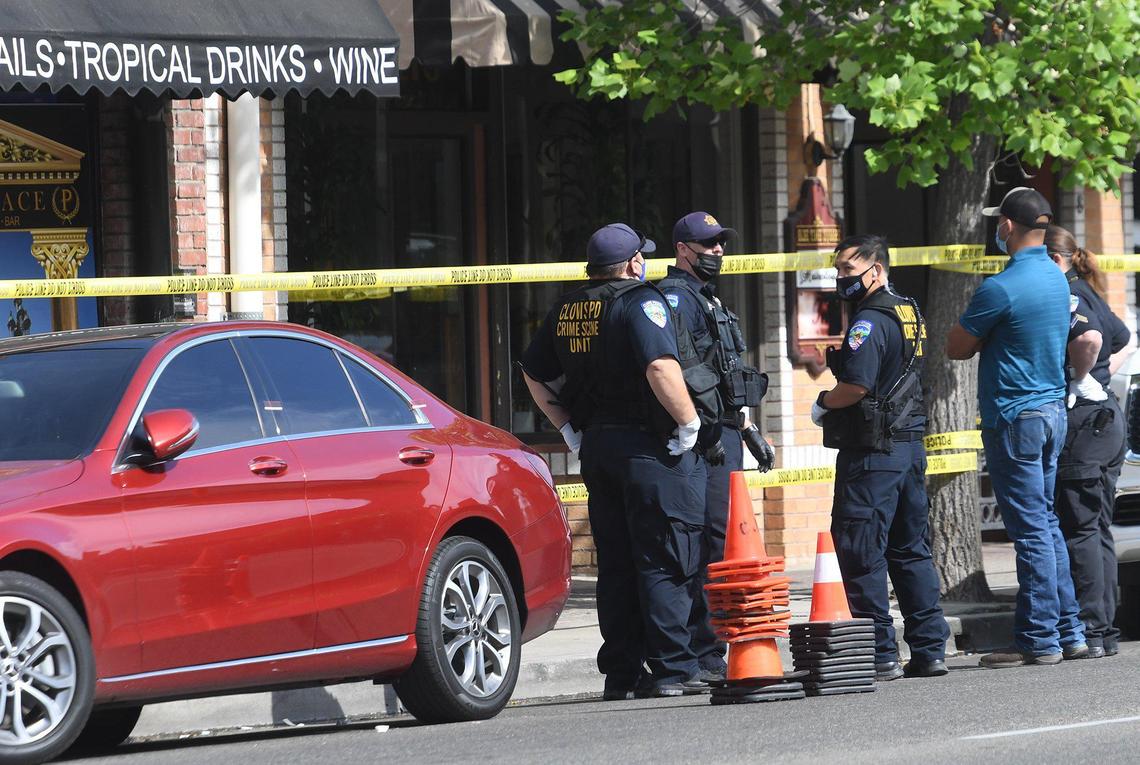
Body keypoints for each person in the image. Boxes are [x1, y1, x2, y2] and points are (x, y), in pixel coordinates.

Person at [520, 222, 708, 699]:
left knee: (618, 563)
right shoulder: (641, 300)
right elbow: (660, 366)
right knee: (665, 556)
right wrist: (689, 423)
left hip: (598, 449)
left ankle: (622, 673)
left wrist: (567, 428)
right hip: (649, 448)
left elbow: (534, 373)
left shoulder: (568, 306)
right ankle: (671, 669)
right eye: (641, 256)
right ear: (630, 264)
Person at [946, 187, 1088, 667]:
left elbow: (957, 346)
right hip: (1051, 412)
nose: (997, 228)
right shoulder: (1056, 277)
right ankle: (1069, 631)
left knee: (1029, 531)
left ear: (1007, 226)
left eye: (999, 222)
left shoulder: (1000, 287)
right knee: (1046, 525)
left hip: (1016, 416)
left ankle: (1039, 638)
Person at [810, 234, 949, 681]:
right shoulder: (907, 310)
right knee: (910, 550)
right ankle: (930, 649)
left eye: (848, 271)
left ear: (877, 268)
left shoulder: (868, 320)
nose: (840, 279)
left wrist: (823, 403)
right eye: (838, 271)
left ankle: (879, 651)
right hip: (908, 446)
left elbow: (857, 386)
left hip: (874, 452)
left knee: (860, 549)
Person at [658, 211, 775, 682]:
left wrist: (747, 426)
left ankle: (709, 648)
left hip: (725, 432)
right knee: (699, 543)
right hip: (698, 439)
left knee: (719, 541)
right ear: (683, 249)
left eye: (720, 244)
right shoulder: (674, 299)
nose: (718, 252)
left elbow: (724, 374)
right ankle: (698, 652)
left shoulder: (707, 299)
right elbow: (672, 369)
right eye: (708, 245)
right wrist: (693, 426)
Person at [1046, 224, 1130, 659]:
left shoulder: (1069, 293)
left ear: (1053, 259)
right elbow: (1122, 336)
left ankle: (1091, 630)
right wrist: (1099, 376)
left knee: (1080, 529)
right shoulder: (1085, 288)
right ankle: (1103, 630)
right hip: (1104, 422)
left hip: (1085, 424)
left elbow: (1093, 338)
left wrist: (1082, 377)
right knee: (1096, 529)